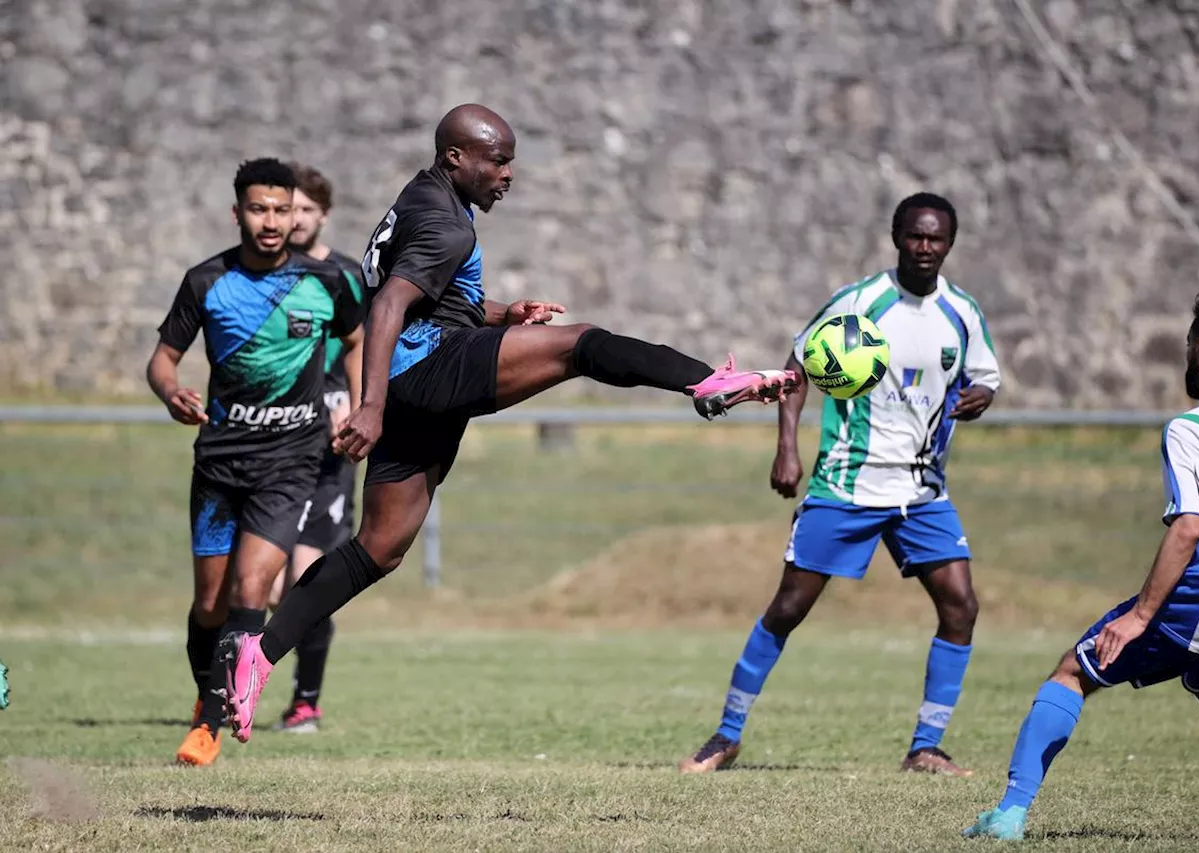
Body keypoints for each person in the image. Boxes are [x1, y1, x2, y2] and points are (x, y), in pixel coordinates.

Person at [218, 103, 798, 742]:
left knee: (378, 549)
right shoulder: (448, 224)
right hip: (423, 374)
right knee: (580, 345)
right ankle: (707, 382)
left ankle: (257, 653)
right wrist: (371, 406)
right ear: (456, 158)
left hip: (416, 380)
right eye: (498, 160)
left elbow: (426, 291)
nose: (509, 173)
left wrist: (499, 314)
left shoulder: (419, 199)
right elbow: (387, 307)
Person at [680, 193, 1001, 776]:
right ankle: (725, 736)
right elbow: (796, 369)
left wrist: (982, 396)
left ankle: (925, 747)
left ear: (950, 243)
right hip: (847, 485)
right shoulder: (860, 304)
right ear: (897, 236)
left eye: (937, 239)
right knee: (788, 608)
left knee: (962, 606)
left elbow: (983, 378)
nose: (926, 248)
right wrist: (787, 448)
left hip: (923, 491)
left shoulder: (963, 311)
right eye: (916, 236)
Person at [965, 296, 1199, 841]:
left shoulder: (1191, 428)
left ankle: (1009, 816)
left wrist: (1139, 615)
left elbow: (1188, 527)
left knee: (1071, 670)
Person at [146, 158, 364, 765]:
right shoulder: (206, 280)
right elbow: (162, 360)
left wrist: (356, 403)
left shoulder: (326, 282)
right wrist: (172, 393)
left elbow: (357, 339)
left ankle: (211, 725)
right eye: (259, 209)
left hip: (290, 463)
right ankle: (204, 697)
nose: (272, 222)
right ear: (237, 212)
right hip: (219, 463)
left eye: (282, 209)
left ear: (296, 211)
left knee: (254, 587)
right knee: (210, 604)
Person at [264, 163, 367, 734]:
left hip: (329, 458)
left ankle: (305, 702)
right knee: (269, 585)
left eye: (305, 209)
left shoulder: (348, 276)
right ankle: (224, 689)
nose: (295, 219)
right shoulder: (264, 275)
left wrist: (356, 404)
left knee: (311, 580)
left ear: (322, 214)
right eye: (287, 209)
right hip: (275, 448)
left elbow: (364, 347)